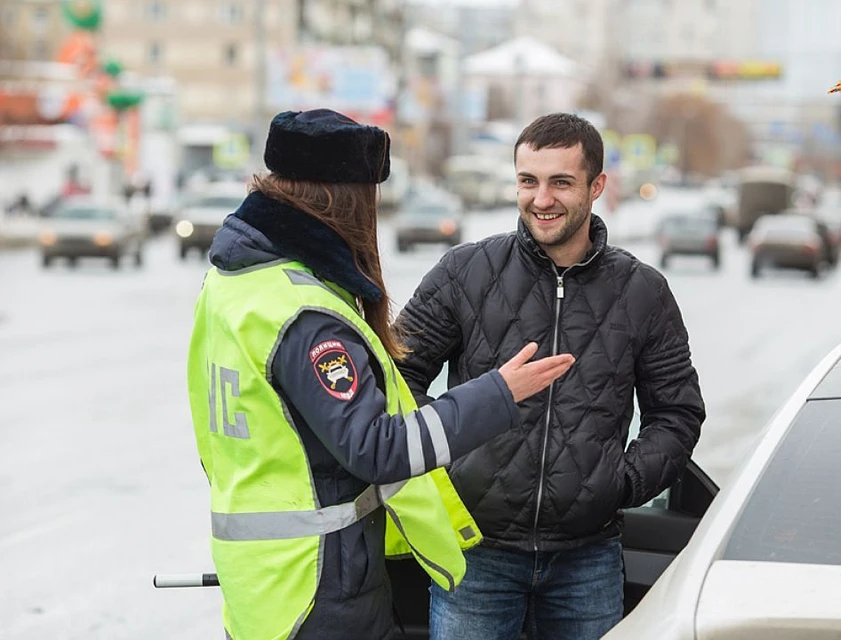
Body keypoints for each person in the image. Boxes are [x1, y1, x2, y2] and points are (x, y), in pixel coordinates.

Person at [185, 108, 576, 640]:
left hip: (261, 585)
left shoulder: (235, 285)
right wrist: (498, 395)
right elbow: (375, 448)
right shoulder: (305, 313)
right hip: (318, 589)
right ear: (344, 200)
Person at [395, 112, 706, 640]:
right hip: (475, 552)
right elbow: (396, 382)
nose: (541, 198)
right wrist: (447, 468)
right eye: (528, 181)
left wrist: (621, 482)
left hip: (587, 560)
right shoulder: (464, 273)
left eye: (560, 182)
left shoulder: (642, 291)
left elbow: (677, 413)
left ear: (596, 186)